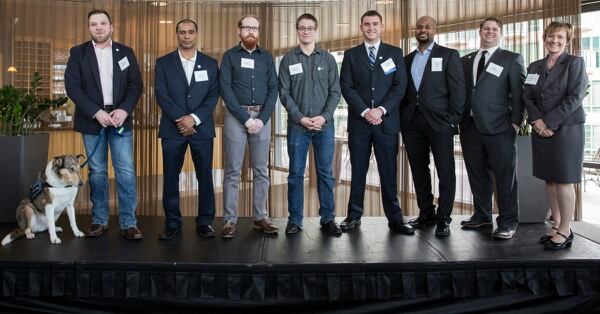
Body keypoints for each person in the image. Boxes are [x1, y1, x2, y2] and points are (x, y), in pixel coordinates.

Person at [65, 9, 143, 240]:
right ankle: (99, 220)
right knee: (97, 172)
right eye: (93, 24)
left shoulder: (125, 52)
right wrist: (96, 112)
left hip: (120, 120)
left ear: (111, 26)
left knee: (126, 172)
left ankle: (129, 223)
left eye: (102, 23)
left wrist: (124, 109)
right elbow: (73, 87)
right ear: (89, 28)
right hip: (93, 121)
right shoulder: (78, 53)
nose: (98, 27)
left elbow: (135, 85)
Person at [339, 10, 413, 235]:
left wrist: (380, 110)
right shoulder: (351, 54)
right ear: (361, 27)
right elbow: (346, 87)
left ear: (382, 27)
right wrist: (365, 111)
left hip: (386, 123)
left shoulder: (395, 53)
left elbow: (400, 86)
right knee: (358, 172)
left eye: (375, 24)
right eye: (366, 24)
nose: (371, 28)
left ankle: (395, 219)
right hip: (360, 124)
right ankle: (353, 217)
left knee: (389, 173)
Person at [459, 17, 526, 239]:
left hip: (500, 127)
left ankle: (508, 221)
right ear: (479, 32)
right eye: (486, 29)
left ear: (500, 33)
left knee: (505, 176)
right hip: (470, 127)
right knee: (477, 173)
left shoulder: (511, 58)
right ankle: (482, 215)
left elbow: (519, 94)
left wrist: (516, 122)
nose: (490, 32)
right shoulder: (466, 60)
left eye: (494, 29)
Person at [522, 22, 587, 250]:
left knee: (563, 178)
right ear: (544, 38)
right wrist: (537, 121)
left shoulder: (574, 63)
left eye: (560, 37)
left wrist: (548, 122)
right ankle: (557, 224)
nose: (555, 40)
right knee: (549, 178)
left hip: (566, 128)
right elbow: (527, 96)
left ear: (566, 40)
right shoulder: (534, 66)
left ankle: (566, 229)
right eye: (551, 36)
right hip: (541, 128)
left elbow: (575, 96)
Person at [401, 16, 466, 237]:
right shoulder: (406, 59)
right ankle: (426, 213)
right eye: (419, 26)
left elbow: (459, 91)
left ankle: (444, 218)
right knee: (419, 171)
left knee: (446, 171)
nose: (423, 30)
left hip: (440, 123)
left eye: (427, 27)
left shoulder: (448, 55)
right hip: (412, 123)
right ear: (415, 30)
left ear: (435, 30)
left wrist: (452, 120)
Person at [154, 19, 219, 239]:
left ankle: (205, 222)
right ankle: (172, 223)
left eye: (190, 32)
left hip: (202, 129)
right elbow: (161, 94)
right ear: (177, 35)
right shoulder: (163, 63)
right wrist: (181, 120)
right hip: (172, 131)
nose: (186, 36)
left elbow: (213, 95)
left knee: (205, 177)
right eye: (182, 32)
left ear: (196, 33)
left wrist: (194, 118)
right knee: (171, 177)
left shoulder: (210, 63)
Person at [278, 13, 342, 235]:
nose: (306, 31)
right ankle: (295, 220)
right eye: (302, 28)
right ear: (297, 31)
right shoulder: (288, 60)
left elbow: (335, 92)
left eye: (310, 28)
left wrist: (323, 117)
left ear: (316, 31)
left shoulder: (328, 59)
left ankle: (328, 218)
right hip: (298, 128)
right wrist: (301, 118)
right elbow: (284, 94)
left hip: (325, 126)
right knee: (295, 174)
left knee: (325, 173)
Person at [219, 15, 279, 238]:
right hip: (237, 117)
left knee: (261, 170)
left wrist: (262, 119)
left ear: (258, 31)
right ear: (239, 30)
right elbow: (225, 89)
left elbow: (274, 89)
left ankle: (261, 216)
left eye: (254, 27)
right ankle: (229, 220)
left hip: (262, 116)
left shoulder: (267, 58)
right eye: (246, 27)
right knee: (233, 170)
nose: (251, 31)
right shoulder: (229, 57)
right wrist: (246, 118)